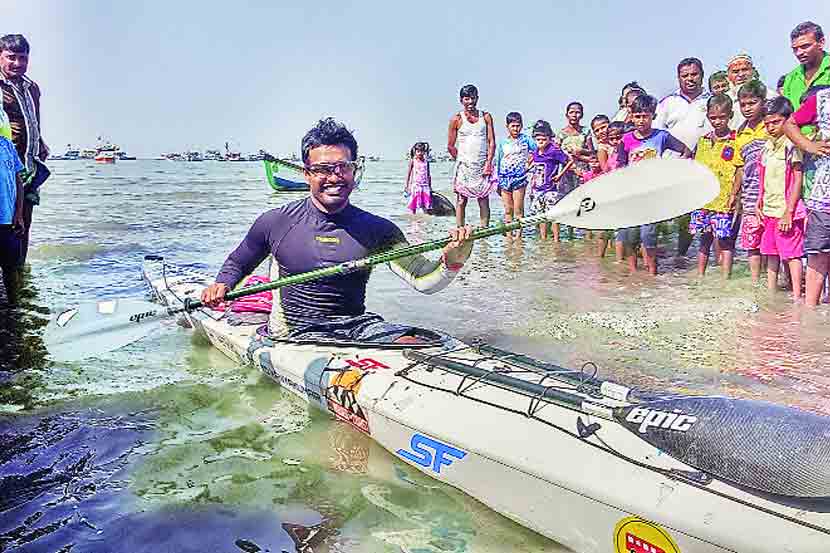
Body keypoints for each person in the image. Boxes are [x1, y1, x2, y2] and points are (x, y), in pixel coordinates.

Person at [201, 118, 474, 340]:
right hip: (292, 336)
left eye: (343, 167)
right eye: (322, 169)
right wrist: (220, 285)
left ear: (355, 170)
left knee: (417, 341)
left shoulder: (377, 229)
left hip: (357, 328)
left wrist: (453, 259)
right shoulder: (275, 222)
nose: (334, 177)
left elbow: (423, 279)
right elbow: (239, 262)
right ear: (306, 174)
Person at [618, 94, 692, 274]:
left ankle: (652, 273)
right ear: (631, 115)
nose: (641, 120)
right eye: (637, 116)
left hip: (653, 196)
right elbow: (619, 167)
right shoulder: (626, 140)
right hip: (631, 195)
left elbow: (686, 150)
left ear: (653, 116)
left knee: (648, 235)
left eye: (645, 115)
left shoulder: (662, 137)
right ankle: (633, 272)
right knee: (629, 234)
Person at [654, 57, 712, 257]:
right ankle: (659, 255)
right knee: (663, 212)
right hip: (671, 166)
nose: (690, 79)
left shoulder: (711, 100)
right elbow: (655, 135)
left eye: (694, 74)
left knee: (692, 214)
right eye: (684, 75)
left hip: (703, 165)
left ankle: (681, 255)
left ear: (702, 75)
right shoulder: (668, 103)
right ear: (678, 78)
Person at [0, 34, 49, 266]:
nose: (17, 63)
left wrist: (40, 142)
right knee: (5, 225)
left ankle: (19, 275)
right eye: (11, 57)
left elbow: (33, 121)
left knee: (24, 223)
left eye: (23, 58)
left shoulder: (32, 88)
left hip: (28, 167)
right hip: (5, 172)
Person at [783, 85, 830, 307]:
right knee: (819, 253)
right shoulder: (822, 99)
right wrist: (809, 146)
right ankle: (810, 314)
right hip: (825, 193)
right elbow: (790, 124)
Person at [757, 97, 805, 300]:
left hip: (786, 211)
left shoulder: (792, 146)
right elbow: (764, 177)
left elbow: (797, 179)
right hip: (768, 209)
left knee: (792, 254)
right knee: (770, 253)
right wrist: (759, 202)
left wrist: (789, 212)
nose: (770, 127)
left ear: (788, 119)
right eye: (767, 123)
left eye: (775, 122)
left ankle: (796, 297)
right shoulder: (767, 147)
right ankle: (771, 294)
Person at [689, 95, 741, 279]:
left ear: (730, 116)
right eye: (713, 118)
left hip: (724, 200)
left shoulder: (735, 141)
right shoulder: (703, 141)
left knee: (725, 241)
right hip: (703, 200)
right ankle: (700, 276)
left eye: (722, 117)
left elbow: (739, 170)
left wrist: (735, 194)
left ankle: (725, 278)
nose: (717, 121)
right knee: (704, 240)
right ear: (708, 117)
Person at [734, 80, 770, 283]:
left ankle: (775, 279)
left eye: (752, 103)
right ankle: (756, 282)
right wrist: (735, 194)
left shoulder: (772, 125)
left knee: (773, 238)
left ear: (763, 102)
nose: (747, 108)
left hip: (773, 192)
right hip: (750, 194)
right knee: (752, 239)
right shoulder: (740, 133)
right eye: (743, 104)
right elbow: (740, 167)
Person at [447, 84, 495, 227]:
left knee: (483, 199)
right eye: (467, 99)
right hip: (464, 167)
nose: (470, 102)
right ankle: (460, 229)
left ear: (477, 98)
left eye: (473, 98)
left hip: (482, 165)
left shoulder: (485, 117)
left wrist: (488, 163)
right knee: (462, 200)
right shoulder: (456, 119)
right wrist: (461, 160)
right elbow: (450, 146)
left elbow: (491, 142)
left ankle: (484, 230)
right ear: (461, 100)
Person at [526, 120, 571, 240]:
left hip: (551, 189)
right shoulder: (535, 152)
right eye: (538, 140)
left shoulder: (554, 151)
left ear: (549, 138)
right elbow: (534, 167)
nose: (541, 142)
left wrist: (560, 175)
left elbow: (569, 161)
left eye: (544, 139)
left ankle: (556, 239)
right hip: (538, 189)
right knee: (541, 216)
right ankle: (543, 238)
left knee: (553, 215)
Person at [556, 102, 593, 239]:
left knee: (584, 202)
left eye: (577, 112)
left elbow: (592, 152)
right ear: (566, 115)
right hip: (566, 172)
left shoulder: (586, 132)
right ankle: (570, 234)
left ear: (582, 115)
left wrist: (580, 151)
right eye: (571, 112)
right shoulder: (561, 134)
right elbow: (556, 153)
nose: (574, 115)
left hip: (583, 171)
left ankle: (587, 235)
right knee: (566, 202)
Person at [782, 21, 830, 124]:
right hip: (796, 136)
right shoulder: (790, 79)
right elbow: (785, 116)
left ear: (821, 43)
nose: (799, 53)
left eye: (805, 46)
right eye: (795, 49)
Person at [494, 112, 535, 232]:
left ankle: (518, 238)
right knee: (508, 210)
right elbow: (499, 161)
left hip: (519, 178)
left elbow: (538, 152)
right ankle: (509, 237)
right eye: (513, 126)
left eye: (518, 125)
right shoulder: (502, 142)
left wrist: (529, 165)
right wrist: (497, 181)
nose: (516, 128)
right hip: (504, 178)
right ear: (507, 126)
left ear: (521, 126)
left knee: (518, 210)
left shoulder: (526, 140)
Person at [0, 104, 24, 303]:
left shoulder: (7, 146)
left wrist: (18, 214)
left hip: (8, 220)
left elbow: (18, 182)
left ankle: (14, 306)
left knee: (11, 267)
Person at [404, 142, 432, 214]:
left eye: (422, 151)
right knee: (414, 205)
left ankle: (426, 219)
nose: (420, 153)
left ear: (424, 152)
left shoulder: (426, 162)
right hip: (416, 186)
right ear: (415, 151)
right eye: (418, 151)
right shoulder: (413, 161)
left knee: (426, 205)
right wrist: (407, 186)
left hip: (425, 186)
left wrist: (430, 186)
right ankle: (414, 218)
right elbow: (409, 174)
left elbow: (428, 174)